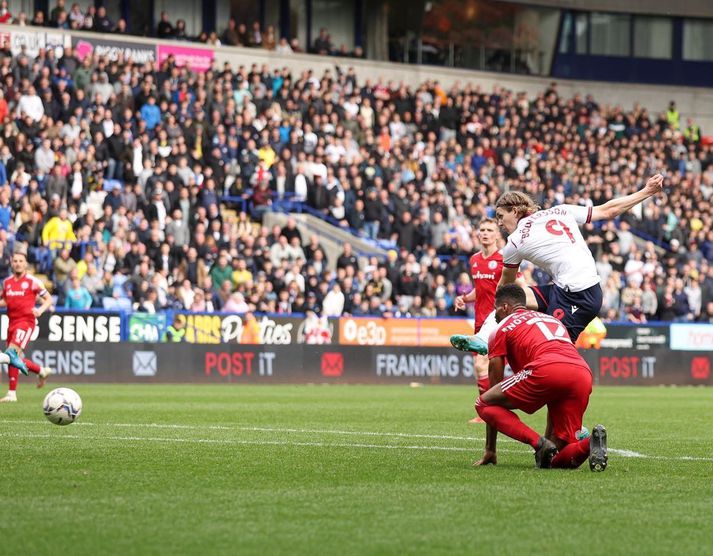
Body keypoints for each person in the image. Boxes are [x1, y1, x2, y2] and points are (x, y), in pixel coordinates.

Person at [452, 174, 665, 354]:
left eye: (500, 216)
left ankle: (564, 388)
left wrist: (497, 310)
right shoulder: (560, 210)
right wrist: (646, 191)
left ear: (515, 211)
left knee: (551, 351)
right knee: (514, 298)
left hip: (579, 296)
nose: (499, 222)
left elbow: (503, 287)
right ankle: (482, 338)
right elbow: (608, 210)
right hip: (567, 288)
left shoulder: (515, 242)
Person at [473, 284, 608, 471]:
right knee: (559, 453)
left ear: (504, 307)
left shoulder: (501, 327)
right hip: (581, 373)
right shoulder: (550, 319)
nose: (493, 317)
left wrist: (490, 448)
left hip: (547, 369)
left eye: (495, 311)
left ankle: (538, 443)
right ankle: (590, 444)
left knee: (484, 404)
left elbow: (494, 384)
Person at [452, 218, 523, 423]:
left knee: (484, 366)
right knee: (483, 367)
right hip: (479, 321)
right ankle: (490, 409)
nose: (484, 233)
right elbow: (480, 288)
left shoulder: (504, 259)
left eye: (489, 230)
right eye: (482, 229)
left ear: (497, 235)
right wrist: (464, 298)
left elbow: (520, 284)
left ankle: (488, 410)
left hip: (499, 321)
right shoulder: (474, 259)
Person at [0, 245, 54, 403]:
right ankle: (41, 370)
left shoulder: (33, 282)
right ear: (11, 263)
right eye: (15, 261)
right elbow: (6, 300)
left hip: (26, 322)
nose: (17, 263)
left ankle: (12, 394)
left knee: (11, 354)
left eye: (20, 261)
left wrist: (41, 310)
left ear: (25, 264)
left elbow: (49, 299)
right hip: (11, 322)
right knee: (12, 356)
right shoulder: (7, 282)